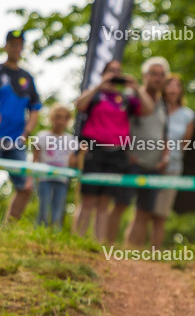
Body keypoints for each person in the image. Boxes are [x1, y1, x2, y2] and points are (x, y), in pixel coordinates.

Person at [72, 59, 153, 241]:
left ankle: (98, 244)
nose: (115, 74)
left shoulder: (125, 98)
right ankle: (77, 240)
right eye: (111, 71)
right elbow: (80, 105)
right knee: (88, 199)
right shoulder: (96, 95)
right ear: (103, 73)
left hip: (117, 153)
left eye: (118, 71)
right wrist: (99, 85)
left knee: (105, 202)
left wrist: (137, 88)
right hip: (94, 150)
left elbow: (149, 109)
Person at [0, 30, 43, 223]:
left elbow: (35, 108)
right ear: (6, 46)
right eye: (12, 44)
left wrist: (27, 132)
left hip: (16, 142)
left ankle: (8, 228)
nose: (16, 48)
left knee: (25, 186)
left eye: (19, 44)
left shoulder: (27, 77)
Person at [114, 57, 170, 247]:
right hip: (131, 161)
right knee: (120, 205)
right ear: (145, 76)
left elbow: (164, 133)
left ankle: (133, 252)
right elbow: (119, 125)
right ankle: (104, 248)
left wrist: (165, 156)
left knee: (144, 211)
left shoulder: (164, 103)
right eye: (154, 74)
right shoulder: (130, 97)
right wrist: (125, 152)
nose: (158, 78)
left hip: (154, 164)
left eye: (162, 75)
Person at [153, 74, 195, 244]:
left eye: (177, 85)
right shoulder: (155, 108)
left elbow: (185, 145)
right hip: (150, 164)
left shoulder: (188, 115)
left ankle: (153, 254)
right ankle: (130, 251)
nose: (173, 89)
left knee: (161, 213)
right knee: (143, 211)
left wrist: (169, 157)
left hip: (173, 166)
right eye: (170, 85)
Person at [32, 104, 77, 230]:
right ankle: (40, 230)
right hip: (44, 178)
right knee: (43, 207)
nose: (61, 121)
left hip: (62, 179)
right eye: (58, 117)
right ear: (52, 118)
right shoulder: (42, 136)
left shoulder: (71, 139)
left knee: (58, 208)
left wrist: (82, 154)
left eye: (65, 118)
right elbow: (35, 159)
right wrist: (32, 176)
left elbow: (72, 163)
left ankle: (56, 233)